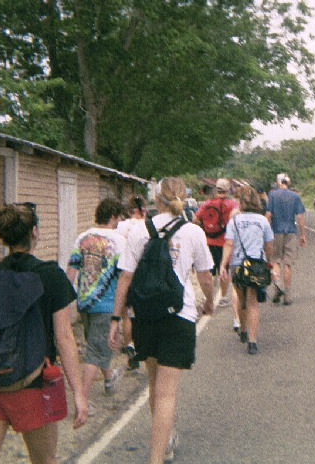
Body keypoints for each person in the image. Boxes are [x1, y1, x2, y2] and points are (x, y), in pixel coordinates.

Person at [0, 202, 88, 464]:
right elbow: (64, 337)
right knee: (44, 460)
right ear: (35, 232)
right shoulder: (50, 276)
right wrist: (78, 392)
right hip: (32, 384)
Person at [109, 177, 215, 464]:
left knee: (154, 384)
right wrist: (210, 301)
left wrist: (116, 318)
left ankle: (164, 441)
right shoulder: (193, 232)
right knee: (167, 393)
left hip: (145, 316)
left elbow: (126, 277)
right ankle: (157, 456)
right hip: (178, 316)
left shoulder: (139, 230)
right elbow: (205, 275)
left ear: (156, 200)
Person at [66, 198, 128, 400]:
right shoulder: (119, 241)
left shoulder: (83, 237)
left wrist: (67, 299)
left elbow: (72, 269)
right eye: (118, 218)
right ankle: (82, 400)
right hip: (107, 303)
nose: (119, 222)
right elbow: (124, 276)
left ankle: (109, 377)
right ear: (112, 217)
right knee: (94, 351)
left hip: (84, 302)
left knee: (96, 344)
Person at [220, 186, 273, 355]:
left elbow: (228, 243)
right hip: (257, 264)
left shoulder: (234, 221)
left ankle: (243, 329)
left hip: (238, 264)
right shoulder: (263, 220)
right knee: (253, 303)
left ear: (241, 203)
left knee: (241, 299)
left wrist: (223, 264)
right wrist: (268, 261)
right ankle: (253, 341)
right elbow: (269, 244)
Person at [193, 178, 239, 327]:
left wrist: (205, 229)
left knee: (209, 271)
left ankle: (209, 297)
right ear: (228, 189)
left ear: (216, 189)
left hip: (208, 241)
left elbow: (195, 219)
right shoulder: (232, 204)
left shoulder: (207, 204)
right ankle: (224, 296)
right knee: (223, 269)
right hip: (224, 242)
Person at [116, 194, 148, 370]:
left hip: (126, 270)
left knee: (126, 313)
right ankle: (140, 343)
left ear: (130, 210)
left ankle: (128, 344)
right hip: (142, 273)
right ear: (143, 210)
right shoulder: (145, 226)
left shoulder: (121, 226)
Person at [265, 173, 307, 305]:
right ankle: (287, 294)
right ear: (288, 183)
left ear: (278, 182)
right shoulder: (295, 196)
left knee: (275, 261)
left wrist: (264, 232)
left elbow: (268, 214)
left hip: (275, 231)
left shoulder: (272, 195)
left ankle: (277, 284)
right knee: (288, 263)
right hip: (290, 232)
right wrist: (302, 234)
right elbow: (299, 217)